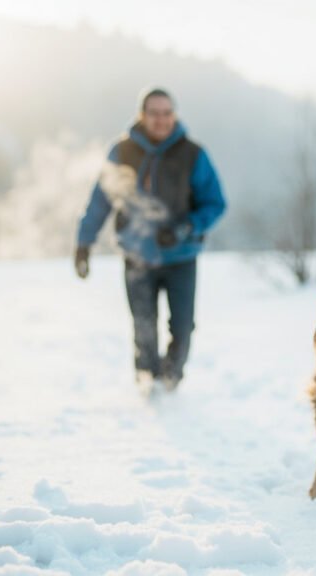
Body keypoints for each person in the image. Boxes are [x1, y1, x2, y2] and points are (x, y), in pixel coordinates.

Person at [74, 87, 226, 395]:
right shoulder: (122, 152)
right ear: (142, 116)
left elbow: (215, 203)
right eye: (154, 113)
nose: (161, 120)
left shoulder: (193, 154)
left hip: (180, 256)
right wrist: (83, 243)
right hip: (137, 255)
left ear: (175, 115)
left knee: (182, 327)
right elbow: (100, 200)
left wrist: (185, 228)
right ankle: (148, 379)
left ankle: (172, 377)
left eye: (167, 113)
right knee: (143, 323)